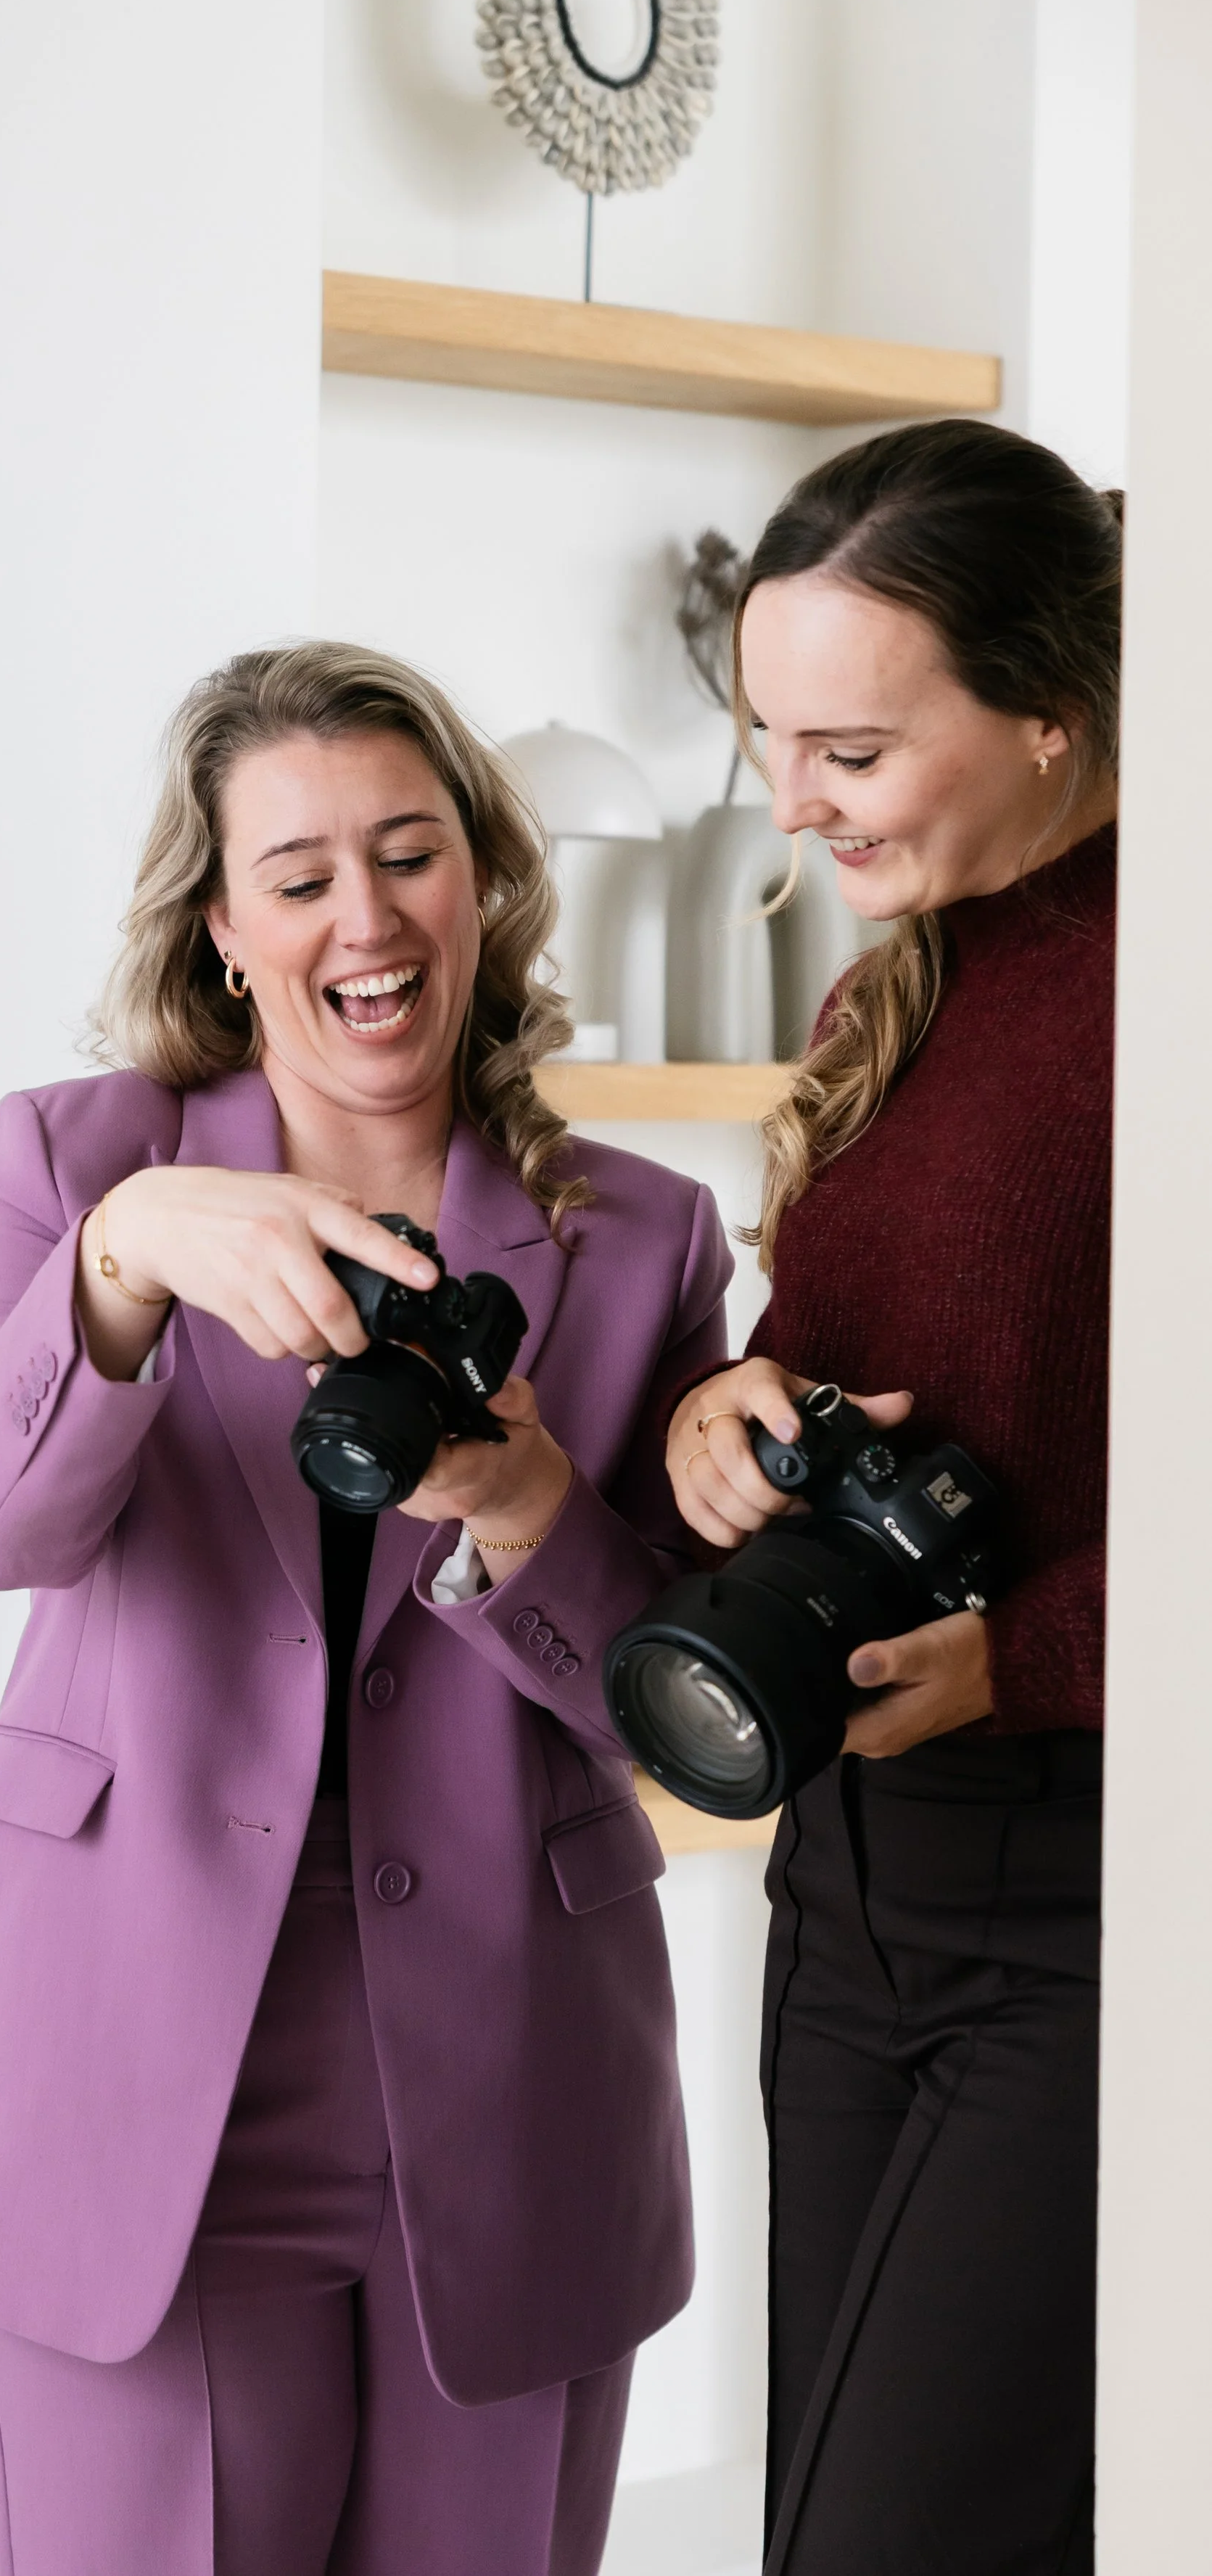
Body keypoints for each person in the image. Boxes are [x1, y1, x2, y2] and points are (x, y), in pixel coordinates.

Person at [0, 642, 735, 2576]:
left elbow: (663, 1701)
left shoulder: (637, 1234)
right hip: (132, 2061)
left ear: (483, 884)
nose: (365, 915)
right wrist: (115, 1268)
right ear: (226, 929)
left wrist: (521, 1502)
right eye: (301, 872)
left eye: (408, 853)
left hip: (507, 2080)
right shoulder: (81, 1162)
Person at [667, 420, 1120, 2576]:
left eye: (848, 742)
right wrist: (721, 1420)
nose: (792, 798)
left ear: (1050, 707)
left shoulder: (1173, 984)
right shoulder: (892, 974)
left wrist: (1023, 1652)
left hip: (1092, 1912)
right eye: (765, 733)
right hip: (841, 1890)